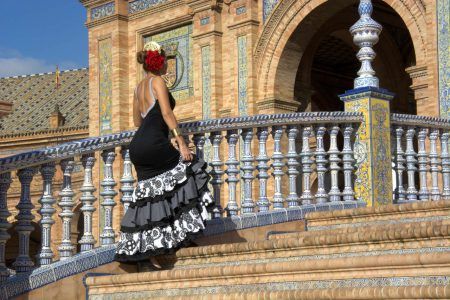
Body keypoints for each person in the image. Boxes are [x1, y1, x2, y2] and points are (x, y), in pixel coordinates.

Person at [114, 41, 214, 267]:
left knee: (150, 196)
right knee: (189, 169)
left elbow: (137, 121)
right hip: (153, 142)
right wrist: (180, 141)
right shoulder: (157, 81)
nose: (168, 63)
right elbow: (167, 113)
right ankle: (181, 236)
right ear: (159, 62)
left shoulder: (138, 87)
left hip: (138, 147)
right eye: (166, 59)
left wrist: (157, 131)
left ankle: (149, 253)